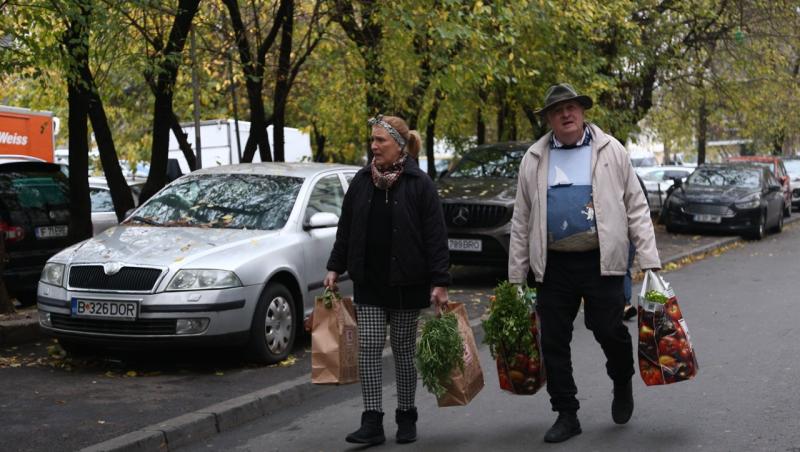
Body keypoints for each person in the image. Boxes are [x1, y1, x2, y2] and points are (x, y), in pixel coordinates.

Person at [508, 83, 661, 443]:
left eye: (572, 107)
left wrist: (650, 261)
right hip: (554, 265)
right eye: (558, 110)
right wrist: (516, 277)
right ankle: (566, 412)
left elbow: (636, 206)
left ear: (582, 112)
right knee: (553, 340)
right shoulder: (534, 158)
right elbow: (522, 218)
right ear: (548, 119)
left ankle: (622, 379)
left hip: (601, 260)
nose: (566, 114)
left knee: (608, 329)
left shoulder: (611, 151)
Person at [324, 114, 451, 446]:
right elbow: (346, 229)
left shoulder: (419, 183)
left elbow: (436, 236)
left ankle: (406, 416)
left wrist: (440, 281)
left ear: (398, 144)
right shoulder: (362, 181)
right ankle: (372, 420)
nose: (374, 146)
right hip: (369, 279)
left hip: (408, 281)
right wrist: (335, 267)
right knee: (367, 348)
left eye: (380, 140)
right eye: (373, 140)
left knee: (404, 351)